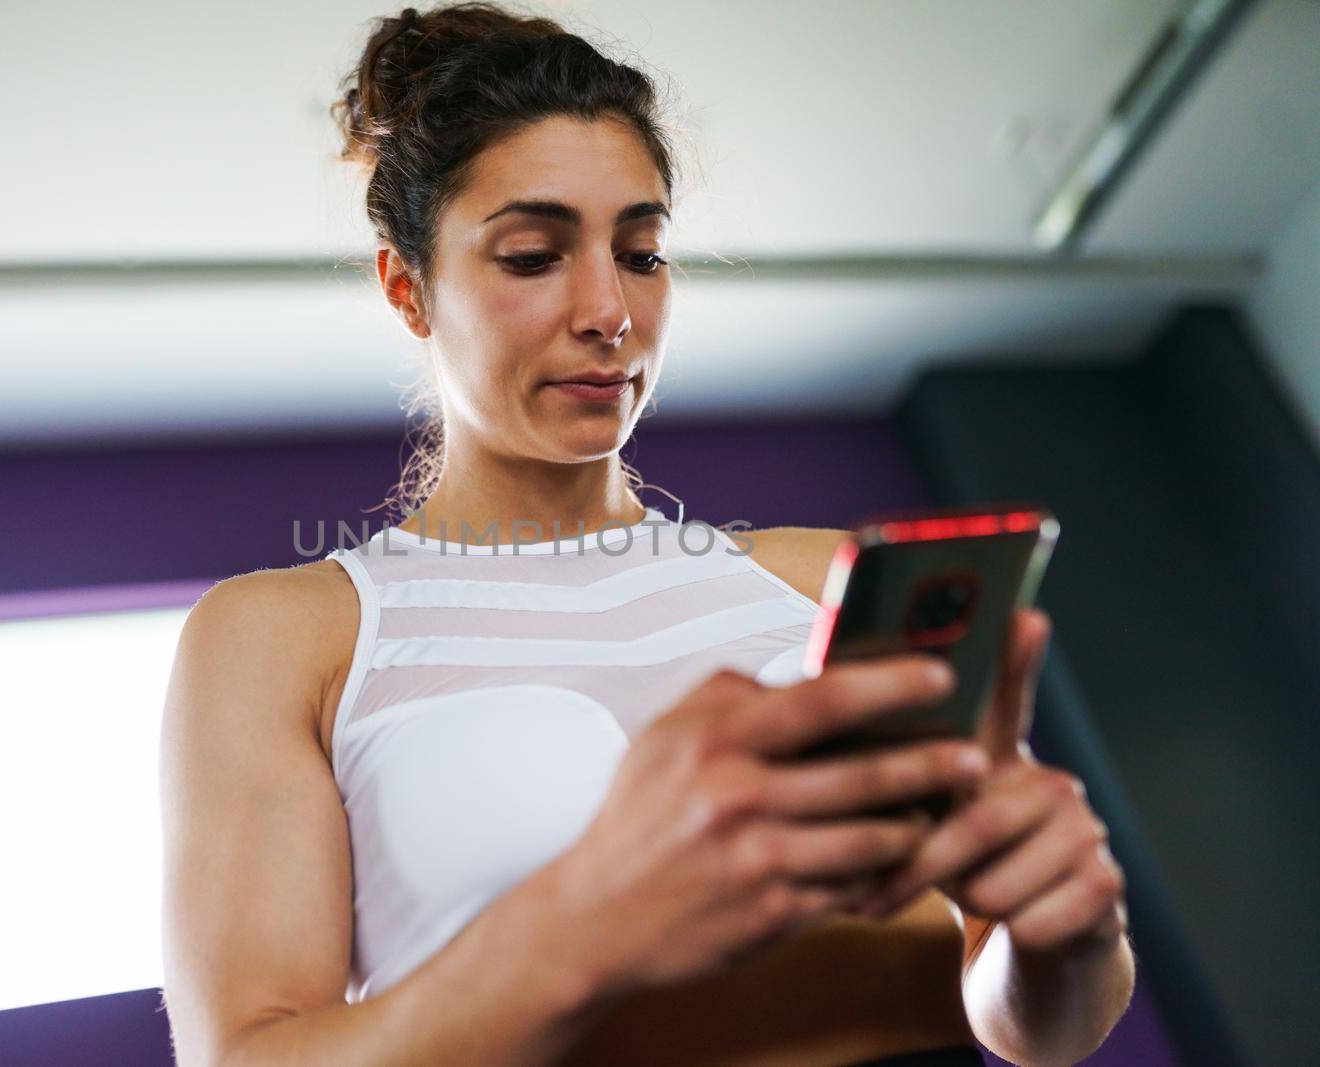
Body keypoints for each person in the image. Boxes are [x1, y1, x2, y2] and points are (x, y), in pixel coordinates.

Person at [157, 4, 1135, 1065]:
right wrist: (593, 911)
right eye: (532, 255)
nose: (608, 308)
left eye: (642, 251)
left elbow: (1035, 1016)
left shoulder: (820, 577)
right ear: (408, 289)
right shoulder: (285, 636)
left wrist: (1058, 933)